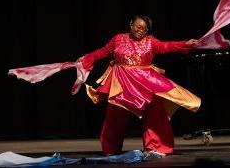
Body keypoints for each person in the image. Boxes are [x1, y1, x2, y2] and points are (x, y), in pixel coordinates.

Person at [78, 15, 201, 159]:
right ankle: (111, 148)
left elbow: (166, 46)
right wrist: (88, 57)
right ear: (131, 24)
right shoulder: (118, 39)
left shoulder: (150, 41)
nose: (141, 31)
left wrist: (185, 44)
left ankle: (156, 147)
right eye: (138, 27)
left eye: (144, 29)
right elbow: (103, 51)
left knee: (155, 112)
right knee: (115, 115)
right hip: (121, 80)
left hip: (144, 81)